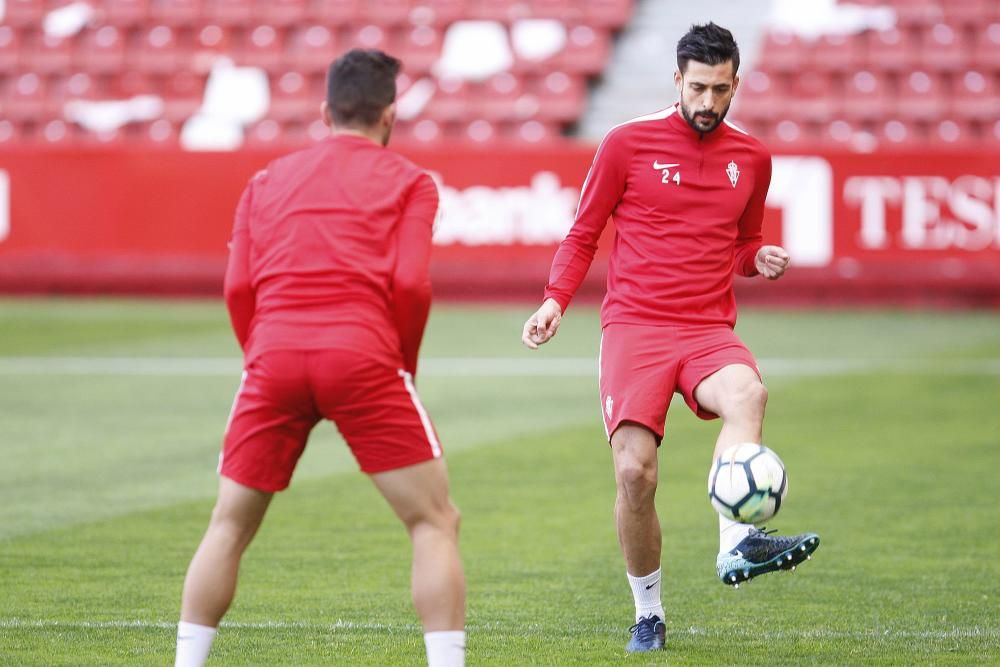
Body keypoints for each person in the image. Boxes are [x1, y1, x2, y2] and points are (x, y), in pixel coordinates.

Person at [520, 23, 819, 653]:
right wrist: (554, 300)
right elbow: (583, 232)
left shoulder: (753, 158)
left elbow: (742, 242)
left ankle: (737, 543)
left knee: (749, 395)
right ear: (677, 80)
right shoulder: (626, 144)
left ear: (736, 83)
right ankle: (648, 611)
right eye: (698, 87)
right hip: (635, 326)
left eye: (720, 89)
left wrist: (756, 257)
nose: (708, 103)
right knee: (635, 475)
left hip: (708, 327)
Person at [174, 49, 466, 667]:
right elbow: (410, 285)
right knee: (433, 521)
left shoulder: (264, 181)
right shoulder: (411, 182)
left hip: (273, 356)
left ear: (325, 111)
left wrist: (260, 355)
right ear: (390, 113)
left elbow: (237, 288)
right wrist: (402, 364)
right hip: (361, 356)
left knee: (228, 526)